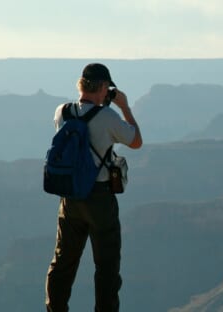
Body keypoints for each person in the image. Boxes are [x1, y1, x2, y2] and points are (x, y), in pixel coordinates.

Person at [45, 63, 142, 312]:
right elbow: (136, 141)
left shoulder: (61, 112)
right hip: (99, 198)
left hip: (70, 198)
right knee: (107, 266)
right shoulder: (108, 117)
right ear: (101, 86)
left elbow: (84, 122)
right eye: (107, 88)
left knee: (63, 261)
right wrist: (124, 106)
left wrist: (103, 103)